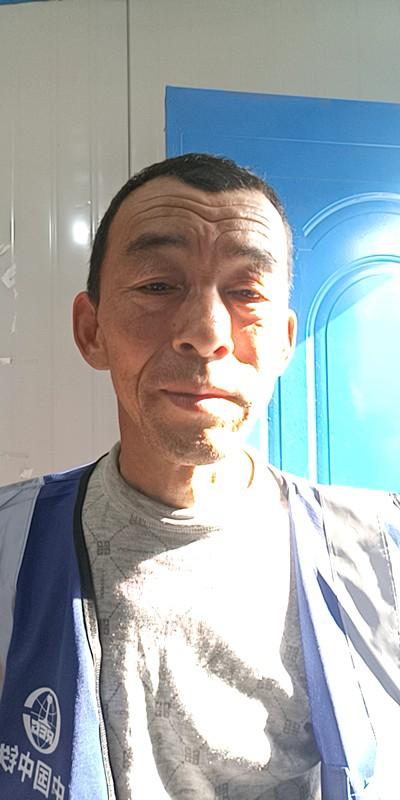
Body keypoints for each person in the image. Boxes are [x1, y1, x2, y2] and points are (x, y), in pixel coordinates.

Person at [0, 153, 399, 800]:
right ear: (91, 330)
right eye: (159, 285)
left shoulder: (382, 553)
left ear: (283, 342)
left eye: (247, 292)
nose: (207, 333)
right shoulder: (10, 547)